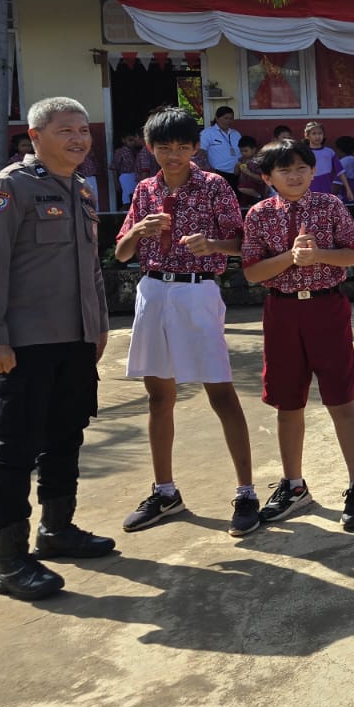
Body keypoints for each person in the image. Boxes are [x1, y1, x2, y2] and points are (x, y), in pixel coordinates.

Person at [0, 96, 114, 601]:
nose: (78, 139)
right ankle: (10, 561)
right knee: (16, 449)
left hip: (75, 341)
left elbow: (91, 268)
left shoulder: (82, 190)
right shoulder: (8, 189)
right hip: (24, 345)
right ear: (35, 136)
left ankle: (57, 529)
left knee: (66, 436)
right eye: (65, 130)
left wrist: (98, 327)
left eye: (83, 130)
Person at [113, 106, 259, 537]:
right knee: (159, 397)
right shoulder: (144, 190)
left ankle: (246, 492)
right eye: (164, 147)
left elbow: (243, 243)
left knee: (221, 393)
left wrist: (212, 244)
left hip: (198, 292)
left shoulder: (214, 185)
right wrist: (138, 230)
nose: (173, 155)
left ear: (196, 147)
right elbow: (120, 253)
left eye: (181, 146)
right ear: (150, 147)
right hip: (152, 291)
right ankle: (165, 492)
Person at [240, 138, 354, 527]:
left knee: (340, 398)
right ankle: (294, 485)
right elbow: (252, 272)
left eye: (302, 167)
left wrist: (318, 256)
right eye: (284, 170)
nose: (295, 176)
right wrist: (290, 258)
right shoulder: (259, 214)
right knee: (287, 403)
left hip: (326, 307)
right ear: (268, 177)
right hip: (282, 311)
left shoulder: (330, 205)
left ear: (314, 171)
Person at [199, 105, 242, 192]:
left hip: (237, 172)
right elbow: (201, 152)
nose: (228, 121)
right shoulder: (207, 133)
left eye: (231, 118)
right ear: (217, 118)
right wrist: (209, 170)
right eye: (225, 118)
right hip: (219, 173)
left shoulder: (236, 133)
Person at [302, 121, 337, 196]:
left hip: (326, 189)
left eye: (320, 133)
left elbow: (340, 171)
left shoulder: (329, 152)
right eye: (314, 133)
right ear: (307, 136)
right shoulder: (303, 152)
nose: (317, 136)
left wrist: (348, 189)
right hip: (308, 189)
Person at [114, 130, 143, 206]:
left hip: (135, 176)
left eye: (134, 140)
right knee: (128, 198)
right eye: (130, 140)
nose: (132, 142)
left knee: (135, 197)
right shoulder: (120, 152)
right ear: (123, 140)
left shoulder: (137, 151)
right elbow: (114, 167)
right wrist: (116, 182)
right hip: (125, 176)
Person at [236, 135, 266, 205]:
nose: (243, 153)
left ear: (254, 149)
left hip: (256, 188)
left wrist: (249, 173)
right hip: (245, 191)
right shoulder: (242, 160)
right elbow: (236, 173)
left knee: (241, 187)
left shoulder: (259, 161)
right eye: (241, 151)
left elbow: (262, 178)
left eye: (246, 151)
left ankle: (259, 197)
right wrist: (237, 166)